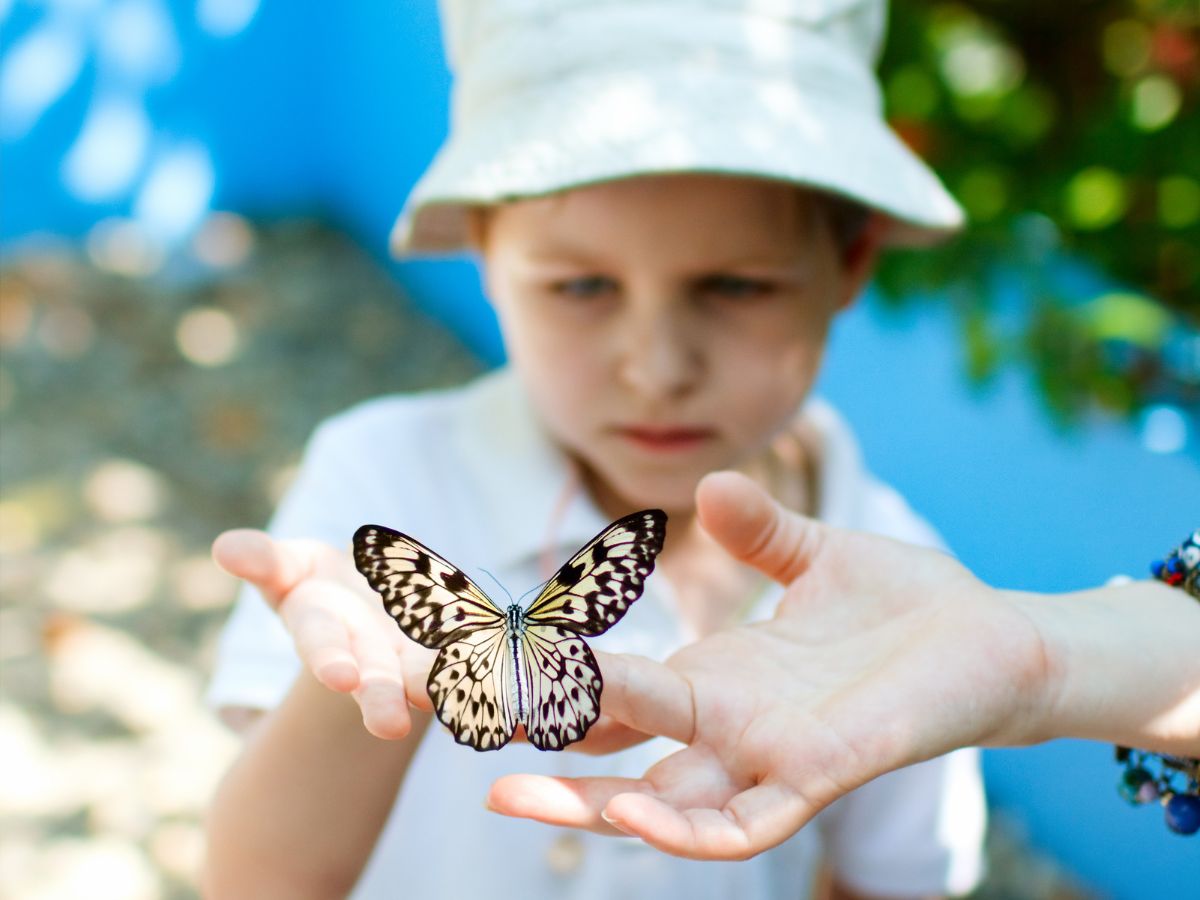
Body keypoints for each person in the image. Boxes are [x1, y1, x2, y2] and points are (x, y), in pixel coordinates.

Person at [203, 1, 988, 898]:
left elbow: (888, 882)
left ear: (850, 263)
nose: (657, 369)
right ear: (487, 254)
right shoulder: (383, 479)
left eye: (735, 284)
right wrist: (364, 685)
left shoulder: (895, 581)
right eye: (582, 285)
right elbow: (255, 884)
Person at [484, 471, 1200, 860]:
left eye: (738, 286)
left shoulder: (891, 539)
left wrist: (1042, 658)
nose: (659, 363)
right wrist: (1045, 657)